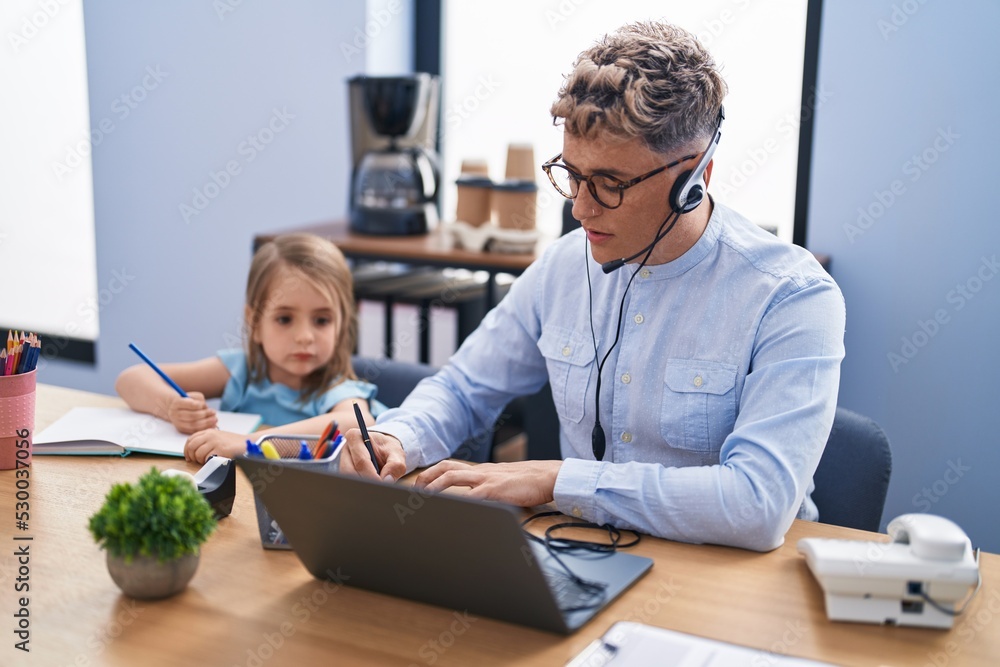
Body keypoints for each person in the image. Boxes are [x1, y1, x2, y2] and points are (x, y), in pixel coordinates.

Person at [340, 21, 846, 552]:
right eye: (571, 175)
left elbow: (757, 504)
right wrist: (400, 435)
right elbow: (464, 389)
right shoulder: (562, 267)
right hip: (585, 556)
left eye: (608, 184)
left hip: (728, 584)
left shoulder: (793, 297)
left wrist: (560, 482)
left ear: (695, 178)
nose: (579, 208)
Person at [116, 233, 381, 464]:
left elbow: (355, 424)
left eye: (322, 320)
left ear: (342, 325)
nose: (304, 337)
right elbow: (131, 379)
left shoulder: (337, 388)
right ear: (254, 322)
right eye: (284, 319)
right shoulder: (241, 371)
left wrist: (246, 444)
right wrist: (172, 406)